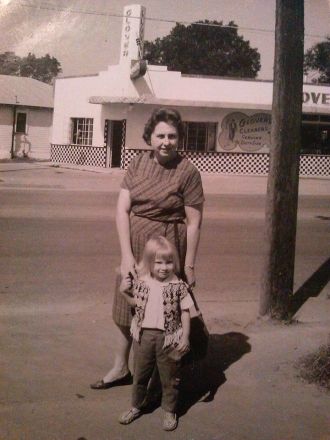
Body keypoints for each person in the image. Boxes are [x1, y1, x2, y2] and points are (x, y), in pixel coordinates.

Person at [90, 107, 204, 390]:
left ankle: (159, 378)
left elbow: (193, 223)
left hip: (167, 249)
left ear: (179, 139)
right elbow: (122, 209)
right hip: (136, 245)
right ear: (150, 137)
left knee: (162, 312)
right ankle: (120, 368)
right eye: (160, 135)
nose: (166, 141)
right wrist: (126, 255)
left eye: (172, 136)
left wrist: (188, 266)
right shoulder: (138, 163)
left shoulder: (188, 172)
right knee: (125, 306)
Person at [118, 236, 194, 431]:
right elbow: (136, 304)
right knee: (141, 374)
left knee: (169, 376)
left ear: (174, 263)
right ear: (149, 262)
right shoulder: (142, 282)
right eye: (158, 262)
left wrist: (185, 337)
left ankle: (169, 410)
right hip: (143, 336)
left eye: (168, 262)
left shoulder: (177, 285)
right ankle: (136, 406)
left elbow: (185, 312)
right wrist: (124, 293)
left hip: (169, 338)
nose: (163, 267)